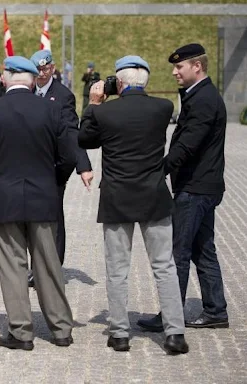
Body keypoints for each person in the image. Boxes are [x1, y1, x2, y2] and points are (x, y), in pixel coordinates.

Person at [78, 55, 189, 355]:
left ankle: (119, 333)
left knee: (117, 269)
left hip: (117, 198)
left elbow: (85, 139)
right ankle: (175, 334)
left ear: (120, 82)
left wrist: (94, 103)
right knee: (164, 266)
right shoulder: (163, 108)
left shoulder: (106, 113)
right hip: (154, 196)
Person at [0, 56, 76, 351]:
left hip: (5, 198)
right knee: (49, 264)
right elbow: (68, 157)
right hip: (43, 196)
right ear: (30, 79)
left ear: (7, 78)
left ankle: (21, 332)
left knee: (13, 267)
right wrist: (53, 182)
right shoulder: (52, 110)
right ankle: (61, 329)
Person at [138, 43, 229, 332]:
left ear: (197, 66)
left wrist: (158, 168)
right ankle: (215, 310)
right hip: (202, 185)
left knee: (178, 252)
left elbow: (189, 144)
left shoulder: (203, 100)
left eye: (179, 67)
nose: (175, 72)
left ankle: (171, 315)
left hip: (195, 187)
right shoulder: (200, 95)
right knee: (204, 250)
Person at [30, 49, 93, 265]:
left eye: (46, 68)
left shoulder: (63, 95)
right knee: (31, 218)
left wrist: (83, 165)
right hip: (29, 165)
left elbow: (71, 131)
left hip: (54, 166)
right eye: (38, 69)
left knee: (53, 216)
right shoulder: (26, 92)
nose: (42, 73)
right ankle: (36, 267)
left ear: (53, 68)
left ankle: (54, 268)